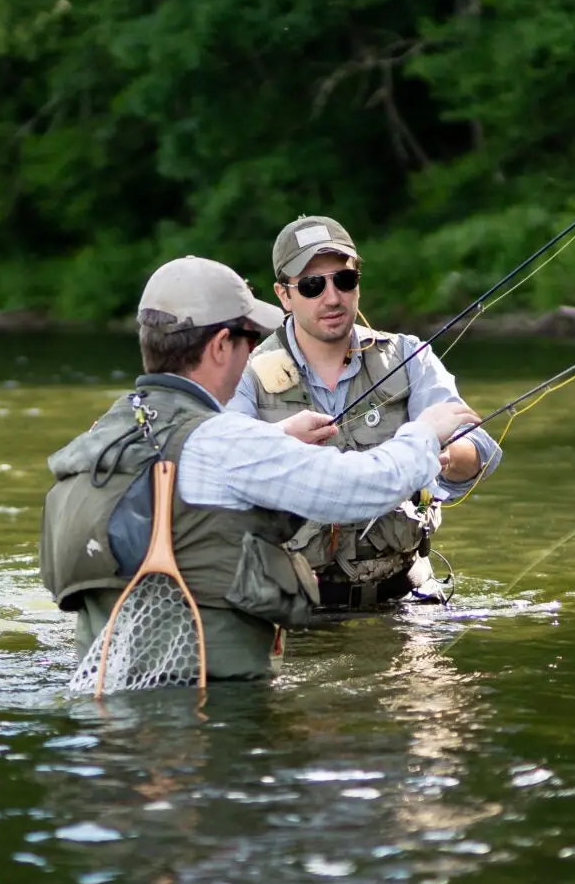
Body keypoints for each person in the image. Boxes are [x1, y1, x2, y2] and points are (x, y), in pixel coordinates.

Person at [39, 256, 475, 681]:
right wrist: (425, 434)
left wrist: (279, 436)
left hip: (109, 692)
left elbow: (194, 476)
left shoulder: (113, 430)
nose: (255, 351)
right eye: (248, 338)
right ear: (220, 346)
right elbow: (365, 486)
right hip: (211, 707)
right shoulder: (226, 443)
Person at [229, 215, 500, 610]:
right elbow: (217, 469)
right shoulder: (245, 373)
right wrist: (278, 443)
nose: (332, 297)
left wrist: (443, 457)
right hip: (289, 611)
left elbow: (479, 448)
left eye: (344, 279)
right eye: (311, 285)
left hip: (404, 602)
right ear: (283, 295)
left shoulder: (410, 355)